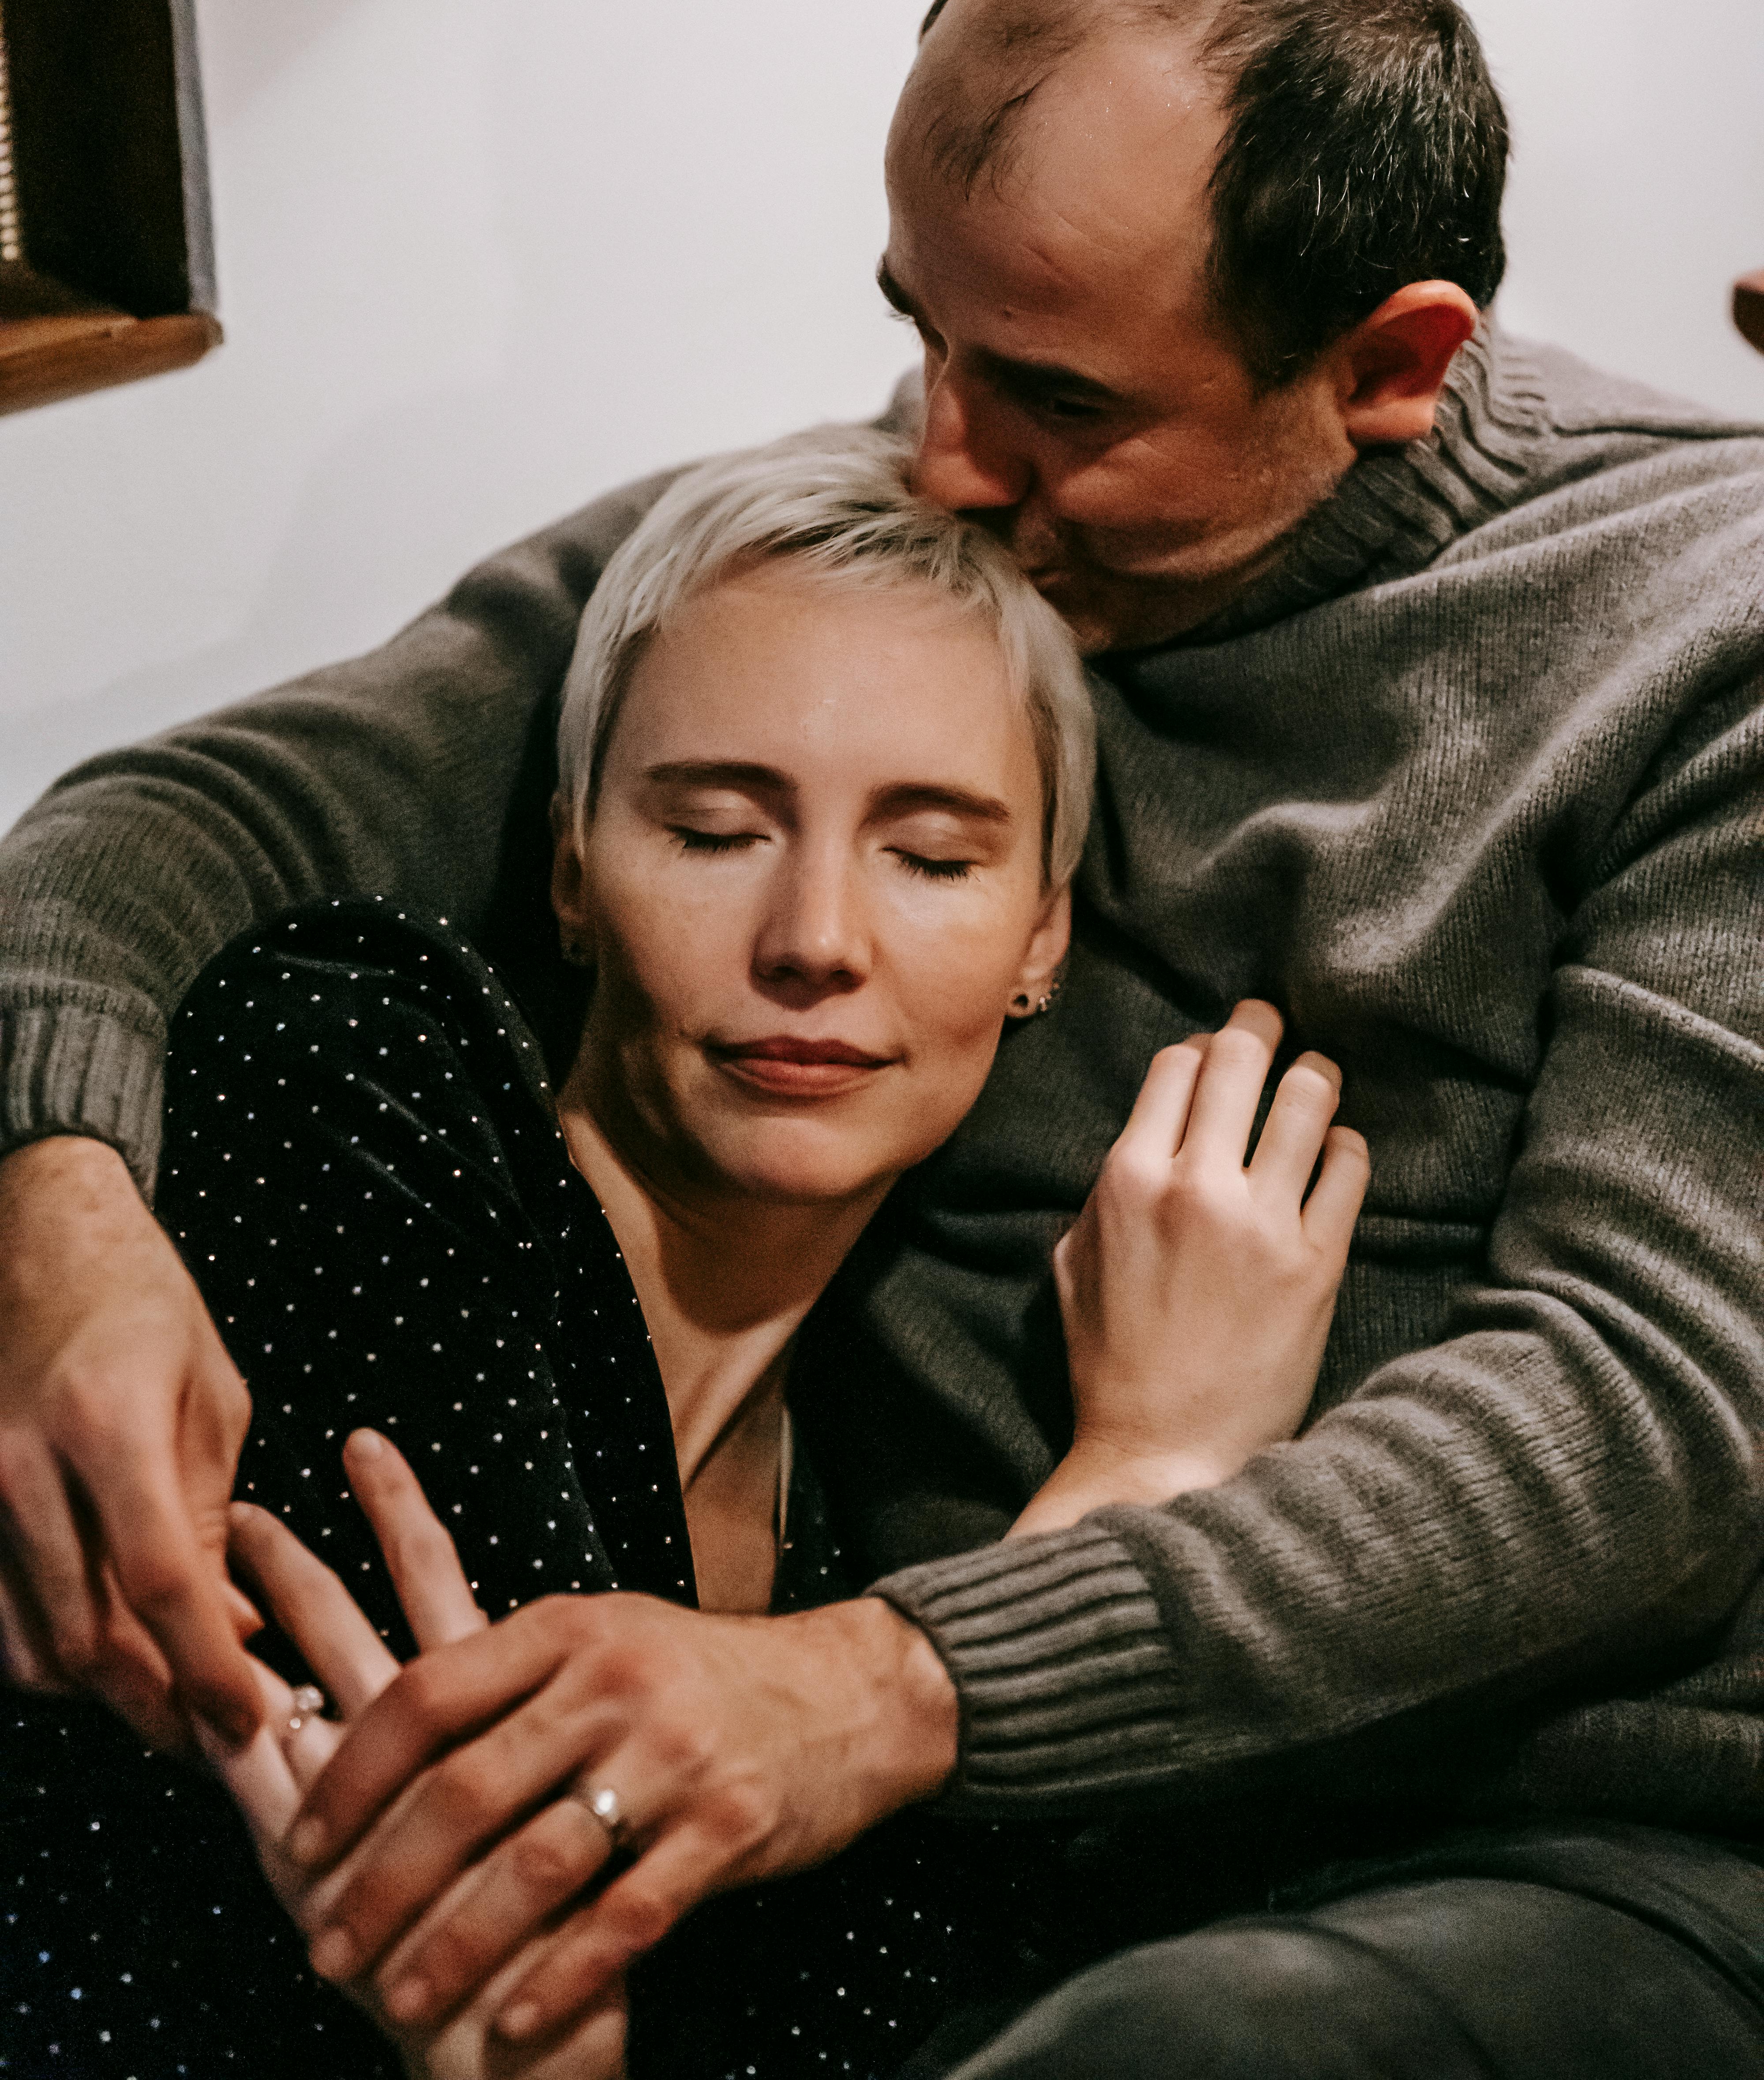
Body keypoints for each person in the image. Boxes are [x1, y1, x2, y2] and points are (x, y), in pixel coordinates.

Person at [3, 0, 1762, 2076]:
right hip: (918, 1866)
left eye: (1055, 399)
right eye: (913, 331)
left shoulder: (1708, 634)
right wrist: (49, 1193)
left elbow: (1644, 1420)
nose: (939, 454)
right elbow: (191, 823)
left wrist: (876, 1687)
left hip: (1520, 1858)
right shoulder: (884, 555)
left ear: (1393, 362)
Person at [4, 429, 1366, 2075]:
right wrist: (1140, 1474)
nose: (814, 943)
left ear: (1043, 938)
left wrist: (1141, 1465)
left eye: (933, 859)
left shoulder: (841, 1553)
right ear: (574, 865)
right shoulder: (361, 1085)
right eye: (717, 831)